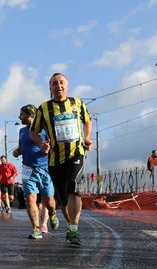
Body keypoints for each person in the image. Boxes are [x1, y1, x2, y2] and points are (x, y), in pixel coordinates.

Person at [30, 73, 93, 247]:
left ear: (67, 85)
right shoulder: (43, 108)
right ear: (50, 88)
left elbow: (87, 121)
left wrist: (86, 138)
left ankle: (73, 229)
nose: (58, 86)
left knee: (73, 187)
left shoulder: (77, 103)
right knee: (63, 198)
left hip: (76, 153)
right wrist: (41, 143)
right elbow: (33, 131)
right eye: (54, 83)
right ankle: (70, 226)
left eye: (61, 82)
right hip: (54, 159)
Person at [12, 104, 59, 239]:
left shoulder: (45, 129)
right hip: (28, 169)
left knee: (48, 200)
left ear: (29, 115)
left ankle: (52, 214)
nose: (19, 117)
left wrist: (48, 148)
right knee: (30, 199)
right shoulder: (22, 131)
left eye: (21, 114)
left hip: (45, 168)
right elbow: (22, 146)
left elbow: (53, 146)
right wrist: (17, 152)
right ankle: (36, 228)